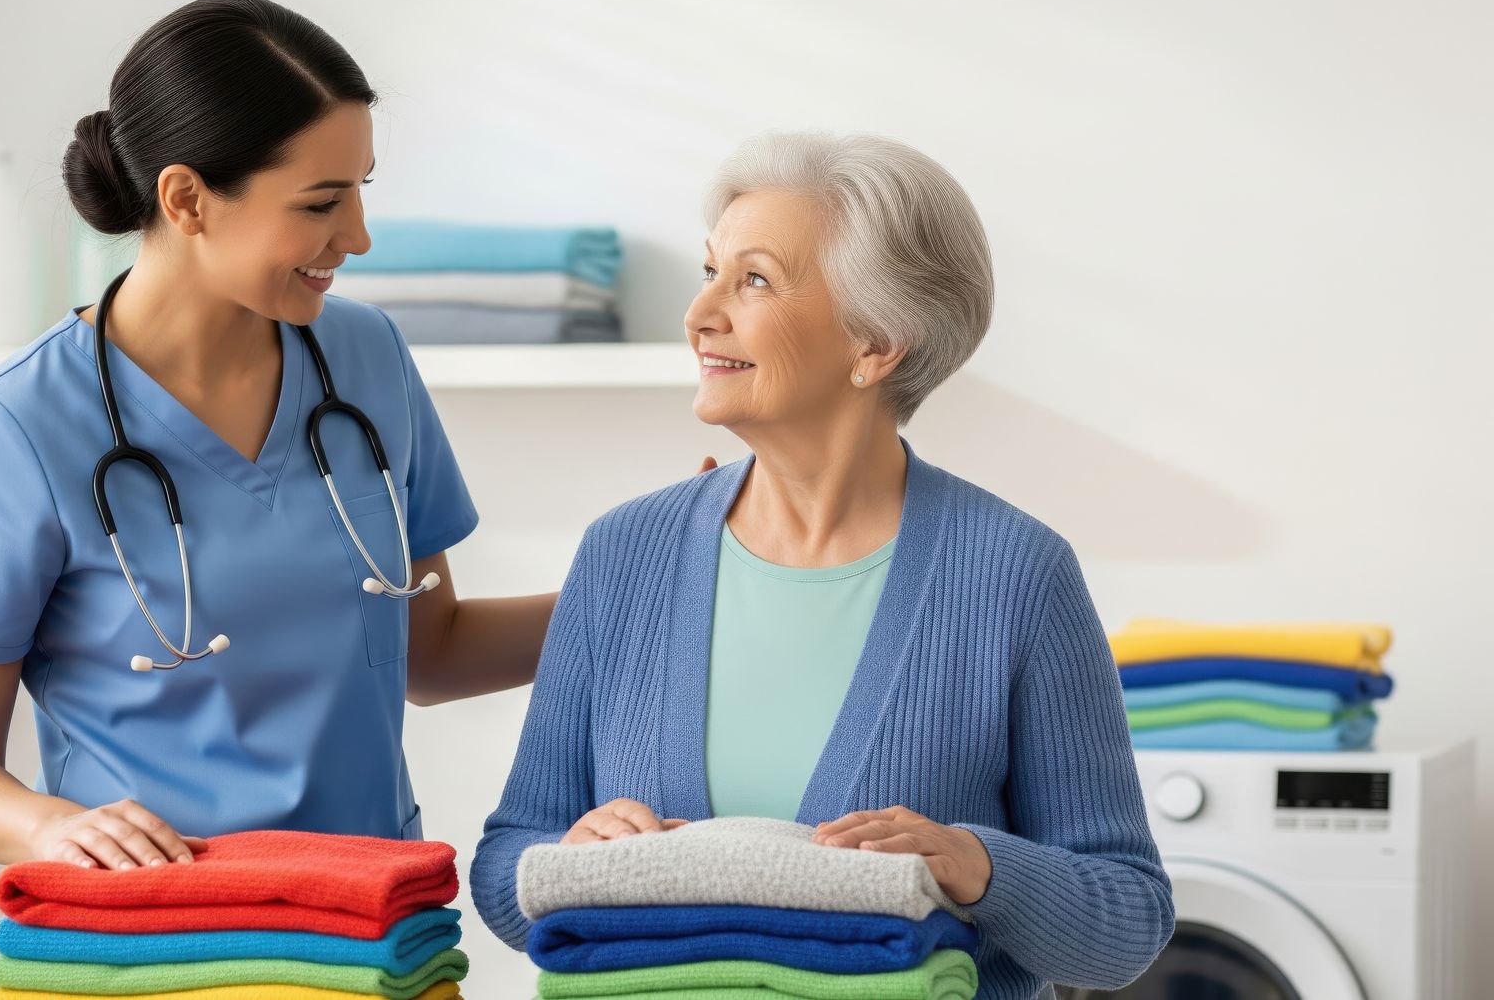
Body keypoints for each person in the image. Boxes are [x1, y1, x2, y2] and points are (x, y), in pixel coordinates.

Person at [473, 133, 1174, 996]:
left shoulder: (1016, 574)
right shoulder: (623, 554)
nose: (700, 315)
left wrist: (975, 862)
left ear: (876, 342)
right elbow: (506, 864)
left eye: (754, 279)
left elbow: (1126, 922)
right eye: (709, 272)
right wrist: (564, 860)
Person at [0, 0, 553, 873]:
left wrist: (651, 589)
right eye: (322, 202)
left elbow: (430, 651)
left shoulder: (367, 357)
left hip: (365, 926)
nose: (356, 236)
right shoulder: (16, 425)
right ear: (187, 199)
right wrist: (47, 827)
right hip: (162, 933)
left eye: (361, 191)